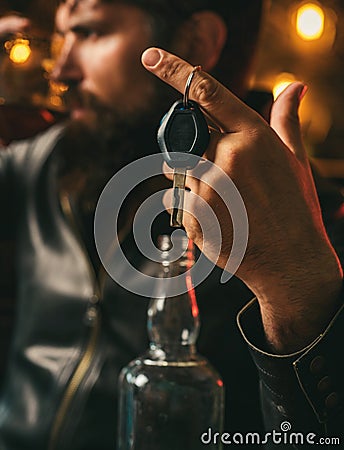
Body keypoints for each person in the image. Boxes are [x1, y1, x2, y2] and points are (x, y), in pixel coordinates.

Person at [0, 1, 342, 450]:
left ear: (197, 43)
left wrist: (296, 286)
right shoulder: (42, 162)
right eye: (63, 36)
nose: (61, 71)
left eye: (90, 33)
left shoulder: (304, 214)